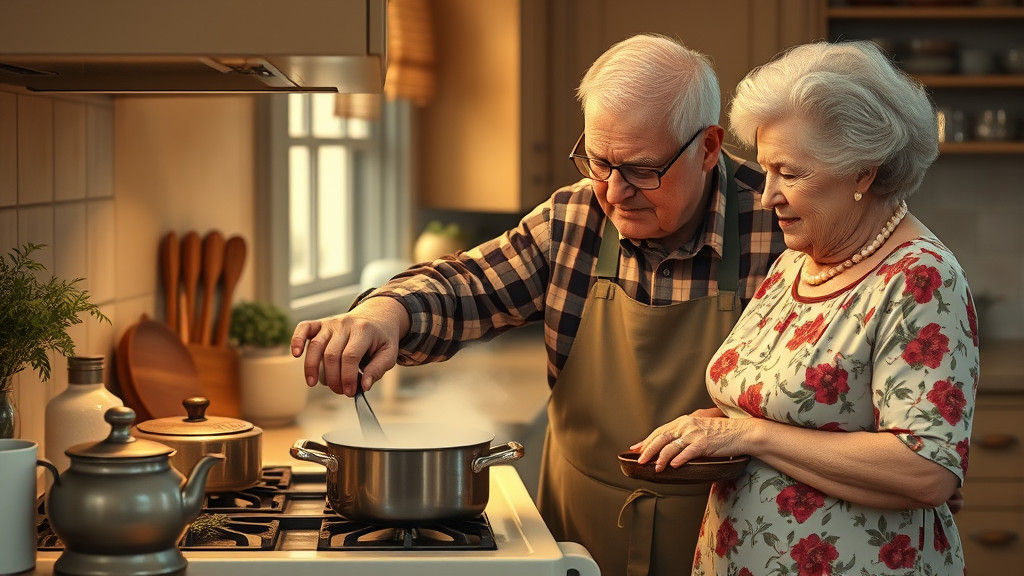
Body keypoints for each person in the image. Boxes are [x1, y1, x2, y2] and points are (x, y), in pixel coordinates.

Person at [291, 34, 786, 575]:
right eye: (598, 162)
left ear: (709, 147)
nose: (615, 193)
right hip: (576, 538)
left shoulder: (780, 224)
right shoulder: (573, 219)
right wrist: (384, 313)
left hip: (729, 542)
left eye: (643, 170)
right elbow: (468, 285)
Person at [632, 40, 978, 575]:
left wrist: (751, 434)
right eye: (766, 170)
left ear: (863, 172)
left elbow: (928, 471)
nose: (768, 195)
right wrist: (718, 427)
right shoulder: (799, 261)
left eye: (790, 174)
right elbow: (787, 412)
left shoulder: (920, 278)